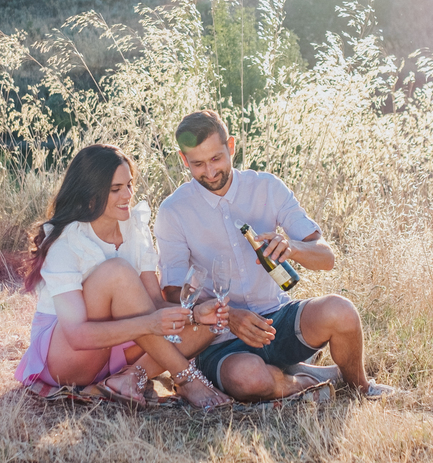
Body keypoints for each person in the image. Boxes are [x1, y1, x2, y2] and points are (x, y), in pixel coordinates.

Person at [154, 110, 395, 401]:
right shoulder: (173, 211)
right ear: (184, 161)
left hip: (278, 319)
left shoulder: (267, 186)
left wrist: (293, 248)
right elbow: (171, 291)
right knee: (248, 379)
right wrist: (228, 316)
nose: (209, 171)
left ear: (231, 147)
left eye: (216, 158)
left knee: (341, 311)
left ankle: (360, 388)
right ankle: (303, 380)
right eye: (198, 164)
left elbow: (326, 257)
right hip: (220, 339)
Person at [16, 143, 231, 408]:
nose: (127, 195)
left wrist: (196, 314)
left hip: (116, 349)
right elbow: (77, 335)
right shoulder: (68, 240)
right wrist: (148, 325)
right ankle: (187, 380)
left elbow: (153, 304)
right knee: (117, 272)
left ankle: (128, 377)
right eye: (116, 189)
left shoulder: (135, 228)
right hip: (68, 357)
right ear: (90, 194)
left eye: (129, 185)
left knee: (210, 326)